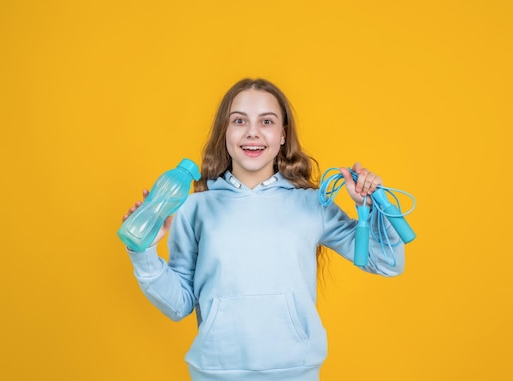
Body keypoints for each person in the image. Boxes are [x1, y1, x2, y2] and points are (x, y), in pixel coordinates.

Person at [122, 78, 405, 381]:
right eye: (239, 120)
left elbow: (387, 262)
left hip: (296, 371)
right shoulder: (194, 207)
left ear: (283, 135)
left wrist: (374, 207)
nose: (252, 132)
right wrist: (144, 252)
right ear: (225, 133)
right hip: (214, 372)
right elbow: (178, 305)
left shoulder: (312, 205)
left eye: (266, 121)